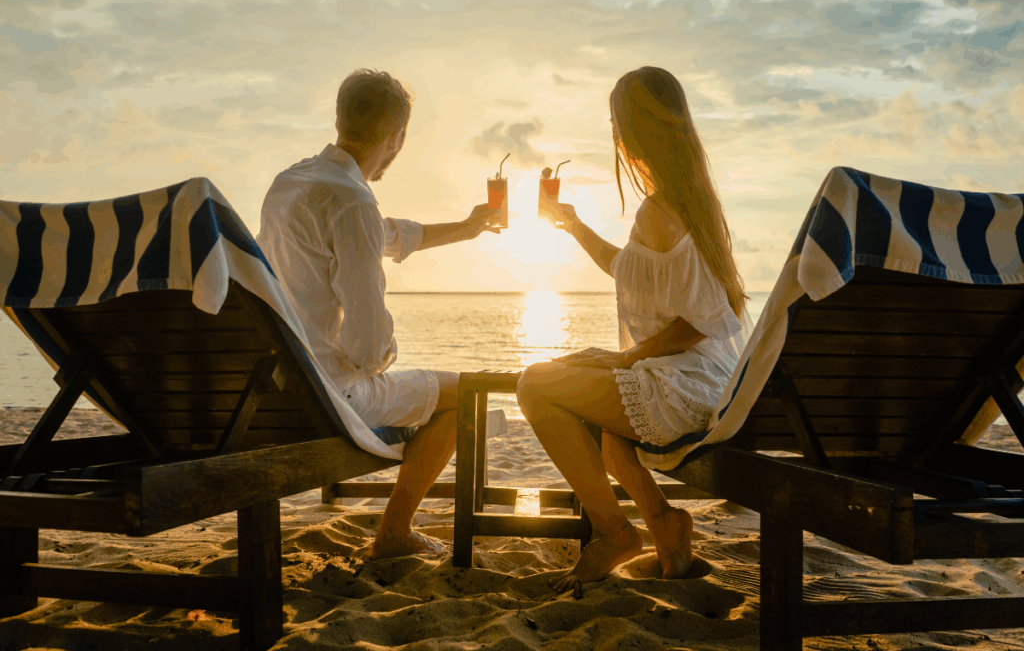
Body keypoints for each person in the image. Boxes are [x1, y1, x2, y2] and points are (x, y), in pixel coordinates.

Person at [516, 66, 750, 591]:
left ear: (630, 132)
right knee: (582, 388)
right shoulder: (691, 202)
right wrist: (575, 226)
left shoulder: (661, 209)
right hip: (709, 377)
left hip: (688, 385)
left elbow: (697, 323)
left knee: (535, 385)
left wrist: (628, 357)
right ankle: (663, 524)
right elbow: (631, 268)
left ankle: (615, 532)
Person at [256, 69, 499, 560]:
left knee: (447, 390)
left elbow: (385, 234)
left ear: (342, 118)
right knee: (469, 396)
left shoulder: (292, 183)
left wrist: (467, 228)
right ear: (398, 136)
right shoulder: (352, 200)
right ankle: (394, 532)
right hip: (333, 396)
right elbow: (366, 348)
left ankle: (396, 530)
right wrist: (386, 354)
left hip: (281, 385)